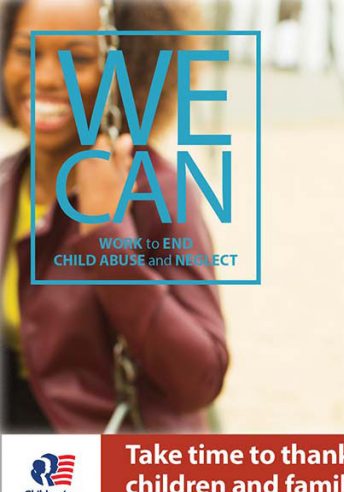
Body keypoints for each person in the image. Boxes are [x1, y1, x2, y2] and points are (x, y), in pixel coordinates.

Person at [1, 0, 228, 432]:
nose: (46, 77)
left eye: (79, 59)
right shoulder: (9, 181)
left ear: (131, 70)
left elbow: (200, 379)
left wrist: (108, 240)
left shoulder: (158, 192)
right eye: (25, 52)